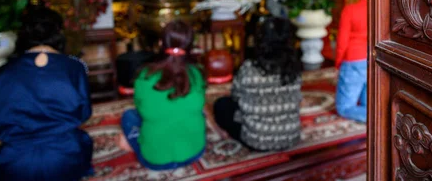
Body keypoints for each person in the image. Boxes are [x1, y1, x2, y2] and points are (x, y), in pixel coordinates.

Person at [0, 7, 93, 181]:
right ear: (59, 33)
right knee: (82, 140)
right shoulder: (74, 68)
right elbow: (84, 113)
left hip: (13, 165)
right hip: (65, 160)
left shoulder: (2, 72)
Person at [119, 21, 205, 170]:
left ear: (160, 43)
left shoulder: (144, 75)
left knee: (129, 116)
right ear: (191, 46)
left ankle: (133, 141)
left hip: (155, 160)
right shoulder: (197, 73)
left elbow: (140, 107)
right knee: (195, 112)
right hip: (195, 153)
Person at [213, 16, 302, 151]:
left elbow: (236, 96)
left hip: (257, 140)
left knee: (221, 105)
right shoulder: (295, 68)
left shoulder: (249, 68)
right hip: (291, 136)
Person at [335, 0, 368, 123]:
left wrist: (339, 61)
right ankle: (376, 114)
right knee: (368, 102)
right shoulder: (378, 9)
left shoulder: (350, 10)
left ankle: (376, 118)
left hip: (353, 59)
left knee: (344, 107)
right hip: (373, 59)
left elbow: (342, 42)